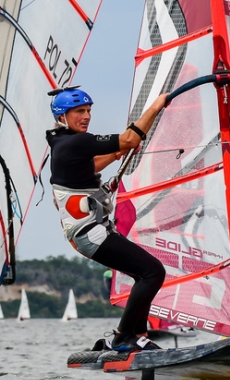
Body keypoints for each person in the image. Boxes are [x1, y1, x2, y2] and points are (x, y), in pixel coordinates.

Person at [46, 88, 168, 352]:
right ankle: (123, 337)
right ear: (62, 116)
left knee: (142, 274)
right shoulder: (76, 142)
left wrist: (115, 155)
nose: (87, 116)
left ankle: (138, 336)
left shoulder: (62, 143)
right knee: (153, 272)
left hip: (87, 233)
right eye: (79, 111)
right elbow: (128, 138)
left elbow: (91, 166)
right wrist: (157, 105)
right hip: (91, 233)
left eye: (89, 111)